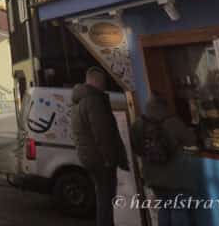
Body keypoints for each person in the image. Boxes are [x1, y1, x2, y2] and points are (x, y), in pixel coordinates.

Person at [71, 67, 128, 226]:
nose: (104, 85)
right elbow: (103, 133)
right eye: (103, 81)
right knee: (107, 196)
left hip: (88, 157)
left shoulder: (78, 101)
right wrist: (110, 158)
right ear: (97, 80)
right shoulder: (94, 101)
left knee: (102, 194)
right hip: (101, 158)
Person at [131, 94, 198, 226]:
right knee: (179, 210)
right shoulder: (173, 122)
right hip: (176, 177)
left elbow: (136, 149)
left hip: (153, 177)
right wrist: (190, 130)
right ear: (165, 106)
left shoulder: (138, 124)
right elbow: (191, 141)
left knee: (164, 208)